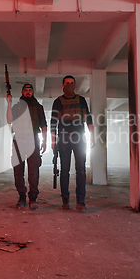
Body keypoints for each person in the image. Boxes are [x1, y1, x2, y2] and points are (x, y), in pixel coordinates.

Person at [51, 75, 94, 212]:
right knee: (64, 171)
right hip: (63, 138)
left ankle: (80, 202)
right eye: (67, 83)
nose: (70, 85)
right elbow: (53, 123)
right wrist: (53, 141)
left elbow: (88, 118)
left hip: (79, 138)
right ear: (63, 85)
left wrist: (92, 135)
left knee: (81, 170)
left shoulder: (81, 100)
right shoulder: (58, 102)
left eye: (72, 83)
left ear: (75, 85)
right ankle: (65, 200)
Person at [6, 83, 47, 210]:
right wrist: (8, 103)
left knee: (33, 171)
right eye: (26, 90)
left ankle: (33, 198)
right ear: (22, 92)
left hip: (33, 140)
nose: (28, 92)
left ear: (33, 92)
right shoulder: (17, 107)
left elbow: (44, 125)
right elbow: (9, 120)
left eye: (30, 90)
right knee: (18, 170)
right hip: (18, 139)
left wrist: (44, 141)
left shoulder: (38, 107)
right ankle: (22, 197)